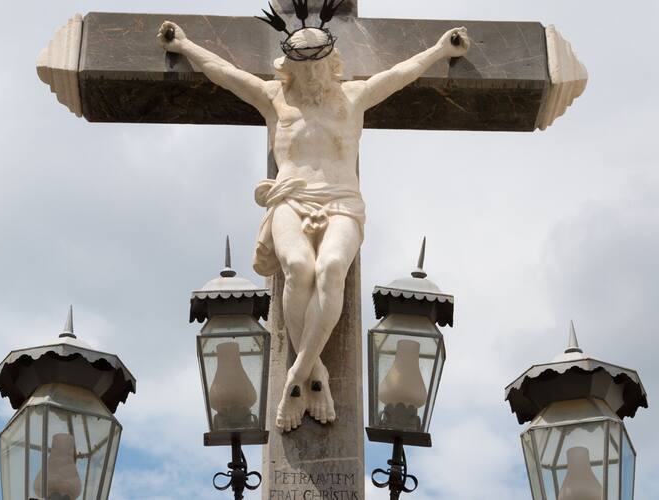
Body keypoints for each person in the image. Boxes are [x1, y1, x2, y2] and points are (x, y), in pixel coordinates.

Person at [159, 18, 470, 432]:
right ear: (289, 66)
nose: (311, 72)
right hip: (290, 196)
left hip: (341, 201)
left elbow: (400, 74)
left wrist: (440, 51)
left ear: (332, 63)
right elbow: (226, 74)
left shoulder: (353, 97)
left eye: (318, 63)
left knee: (330, 269)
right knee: (300, 269)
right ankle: (314, 371)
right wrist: (185, 45)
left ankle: (297, 372)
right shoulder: (275, 97)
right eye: (302, 65)